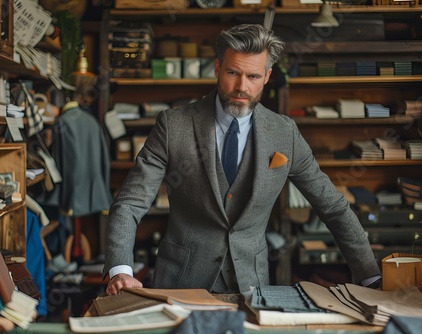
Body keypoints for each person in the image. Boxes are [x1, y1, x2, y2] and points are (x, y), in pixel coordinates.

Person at [104, 23, 381, 295]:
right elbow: (130, 203)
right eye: (233, 72)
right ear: (217, 68)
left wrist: (370, 276)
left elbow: (332, 207)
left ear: (268, 76)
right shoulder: (173, 125)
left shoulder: (285, 133)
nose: (241, 87)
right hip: (181, 283)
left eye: (253, 77)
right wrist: (120, 271)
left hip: (252, 286)